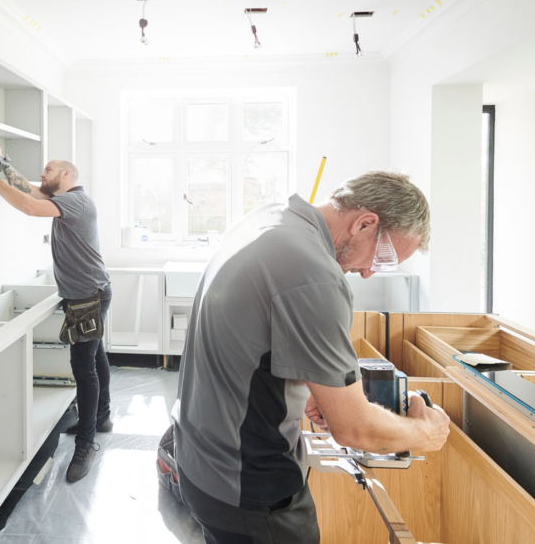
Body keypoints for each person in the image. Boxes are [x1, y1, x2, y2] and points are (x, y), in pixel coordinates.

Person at [173, 171, 451, 544]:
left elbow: (253, 328)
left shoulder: (270, 218)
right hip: (250, 490)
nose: (369, 273)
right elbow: (355, 429)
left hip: (200, 462)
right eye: (382, 257)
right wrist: (425, 432)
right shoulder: (314, 274)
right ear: (364, 223)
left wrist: (315, 386)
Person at [0, 139, 112, 483]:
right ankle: (102, 417)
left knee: (84, 367)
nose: (41, 174)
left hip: (88, 297)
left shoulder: (75, 202)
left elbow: (30, 207)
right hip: (89, 292)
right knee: (96, 357)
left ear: (65, 174)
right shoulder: (65, 198)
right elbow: (29, 190)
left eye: (47, 169)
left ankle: (87, 443)